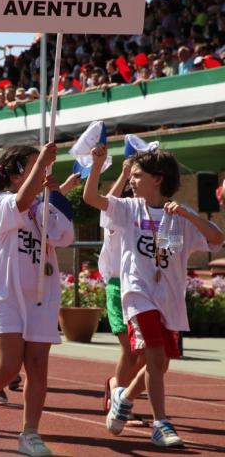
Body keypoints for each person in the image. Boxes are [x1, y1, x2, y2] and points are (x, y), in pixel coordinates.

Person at [84, 144, 224, 447]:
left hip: (168, 299)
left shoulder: (179, 218)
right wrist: (96, 165)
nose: (132, 181)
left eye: (137, 176)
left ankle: (124, 397)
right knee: (155, 355)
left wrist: (190, 215)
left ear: (157, 178)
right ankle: (162, 424)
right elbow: (92, 198)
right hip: (138, 294)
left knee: (159, 364)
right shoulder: (129, 209)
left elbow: (217, 238)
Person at [0, 142, 74, 457]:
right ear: (15, 173)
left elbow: (63, 237)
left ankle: (30, 434)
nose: (42, 172)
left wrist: (57, 198)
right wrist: (41, 164)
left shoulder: (44, 204)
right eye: (32, 167)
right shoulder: (1, 203)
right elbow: (22, 201)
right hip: (7, 293)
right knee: (10, 364)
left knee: (38, 365)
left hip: (42, 294)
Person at [99, 159, 146, 425]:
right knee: (130, 352)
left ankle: (118, 387)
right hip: (118, 287)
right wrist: (124, 173)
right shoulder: (117, 214)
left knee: (145, 354)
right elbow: (107, 200)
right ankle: (119, 397)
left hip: (144, 287)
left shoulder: (148, 216)